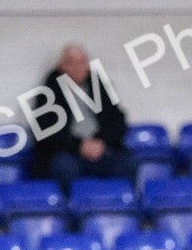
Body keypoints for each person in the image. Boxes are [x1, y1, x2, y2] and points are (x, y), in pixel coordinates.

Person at [30, 44, 137, 190]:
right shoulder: (49, 92)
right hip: (67, 153)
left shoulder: (99, 86)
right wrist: (79, 146)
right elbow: (45, 131)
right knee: (63, 166)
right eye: (71, 63)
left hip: (101, 148)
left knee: (129, 162)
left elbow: (118, 121)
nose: (77, 68)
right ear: (61, 66)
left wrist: (101, 142)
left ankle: (119, 204)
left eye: (82, 63)